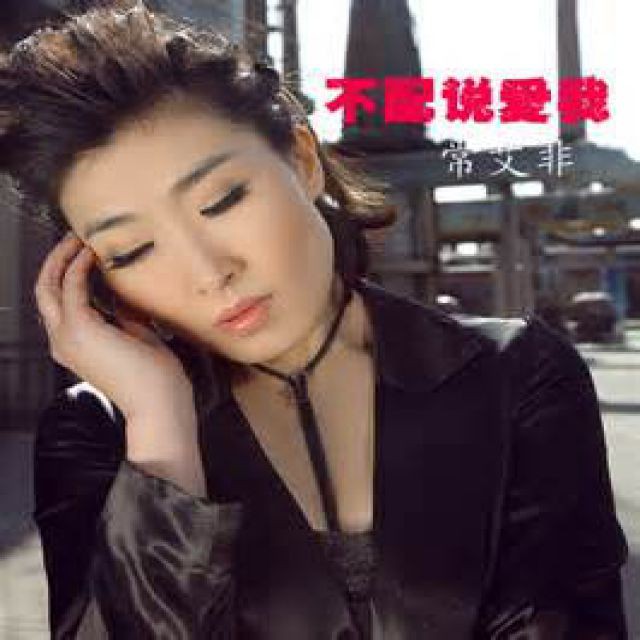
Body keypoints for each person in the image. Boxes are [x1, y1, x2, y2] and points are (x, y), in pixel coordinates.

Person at [0, 2, 629, 638]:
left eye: (222, 200)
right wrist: (163, 443)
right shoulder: (97, 434)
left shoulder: (516, 375)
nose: (209, 273)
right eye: (132, 250)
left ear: (303, 159)